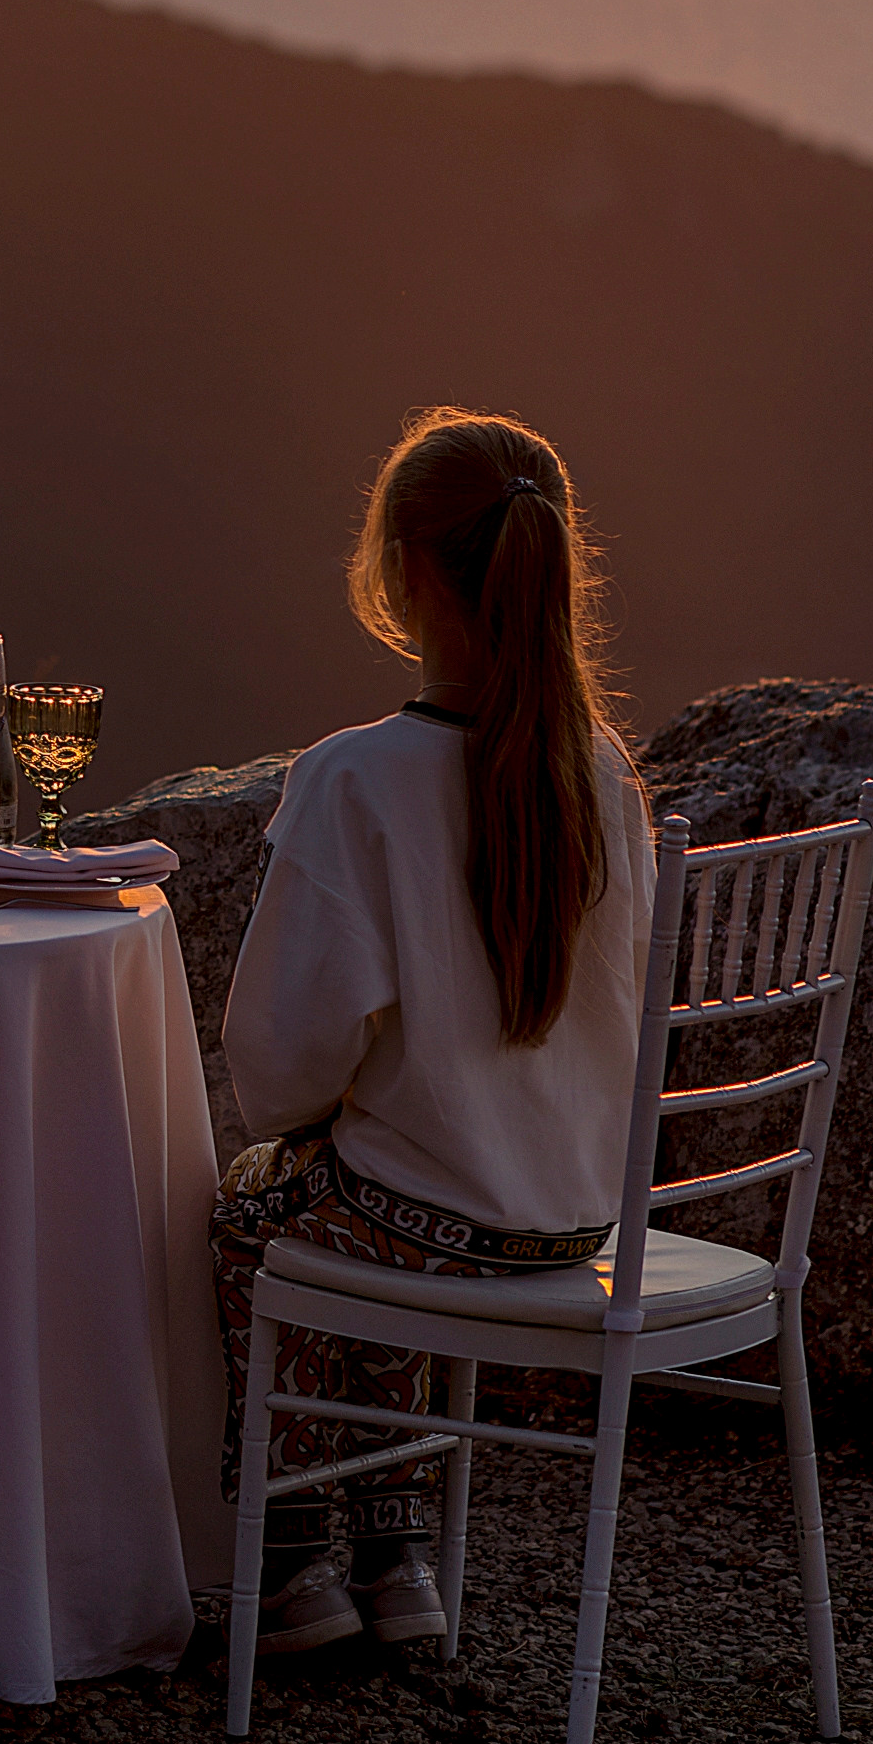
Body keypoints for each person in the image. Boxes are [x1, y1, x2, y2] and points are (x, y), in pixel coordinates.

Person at [211, 405, 655, 1657]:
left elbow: (281, 1060)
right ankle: (400, 1556)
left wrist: (298, 1124)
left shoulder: (356, 777)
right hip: (573, 1219)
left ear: (403, 573)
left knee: (263, 1207)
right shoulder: (602, 771)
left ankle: (300, 1566)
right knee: (378, 1174)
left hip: (432, 1226)